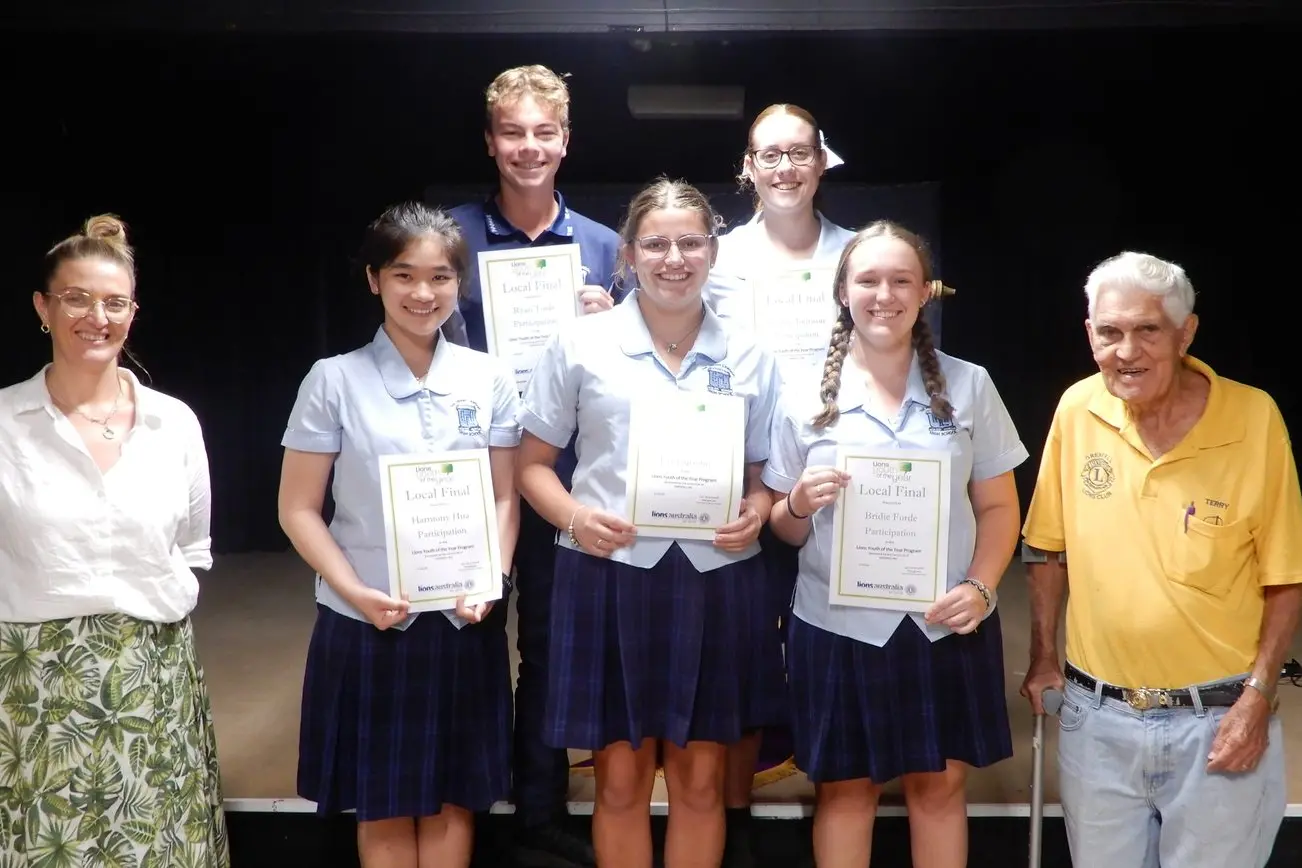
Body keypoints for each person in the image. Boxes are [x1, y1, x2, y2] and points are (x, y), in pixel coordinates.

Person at [515, 177, 783, 868]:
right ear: (628, 255)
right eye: (656, 243)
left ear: (713, 251)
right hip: (609, 575)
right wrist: (575, 517)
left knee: (700, 783)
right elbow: (531, 466)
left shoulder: (752, 354)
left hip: (717, 581)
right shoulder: (580, 344)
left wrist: (756, 513)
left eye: (690, 242)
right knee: (621, 781)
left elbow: (764, 478)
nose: (674, 258)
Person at [1019, 251, 1302, 868]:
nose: (1127, 351)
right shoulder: (1077, 409)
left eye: (1147, 330)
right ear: (1089, 334)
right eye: (1109, 332)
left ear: (1185, 333)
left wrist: (1257, 698)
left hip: (1219, 720)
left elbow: (1286, 576)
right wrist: (1043, 657)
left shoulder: (1254, 419)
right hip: (1097, 723)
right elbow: (1046, 549)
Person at [763, 221, 1027, 868]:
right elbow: (782, 528)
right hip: (835, 625)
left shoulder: (970, 386)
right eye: (868, 280)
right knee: (844, 793)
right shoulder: (799, 392)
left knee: (939, 790)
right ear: (843, 291)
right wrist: (796, 503)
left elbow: (998, 508)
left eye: (901, 280)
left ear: (925, 292)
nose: (885, 294)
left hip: (945, 623)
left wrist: (982, 586)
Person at [278, 202, 522, 868]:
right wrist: (355, 592)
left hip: (463, 620)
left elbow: (506, 496)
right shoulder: (333, 379)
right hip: (365, 621)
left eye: (440, 277)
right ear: (373, 280)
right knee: (382, 804)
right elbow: (298, 509)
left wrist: (492, 581)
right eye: (404, 275)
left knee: (452, 800)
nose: (423, 293)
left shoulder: (490, 378)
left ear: (460, 284)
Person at [0, 215, 229, 866]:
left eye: (114, 302)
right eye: (76, 298)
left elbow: (191, 547)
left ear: (133, 314)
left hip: (151, 683)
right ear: (43, 307)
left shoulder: (173, 423)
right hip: (36, 690)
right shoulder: (4, 424)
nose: (95, 316)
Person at [443, 64, 621, 868]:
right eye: (512, 132)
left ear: (566, 141)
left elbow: (628, 371)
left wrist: (607, 325)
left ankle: (540, 815)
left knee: (548, 649)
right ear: (490, 141)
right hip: (464, 479)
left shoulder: (604, 248)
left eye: (543, 132)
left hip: (558, 479)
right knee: (463, 641)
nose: (528, 147)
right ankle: (462, 801)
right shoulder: (448, 240)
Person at [707, 102, 856, 867]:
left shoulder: (858, 252)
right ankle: (732, 822)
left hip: (838, 480)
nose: (786, 167)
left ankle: (841, 797)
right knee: (741, 658)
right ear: (749, 167)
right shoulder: (718, 256)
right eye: (770, 155)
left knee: (831, 646)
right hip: (741, 477)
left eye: (799, 153)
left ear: (821, 161)